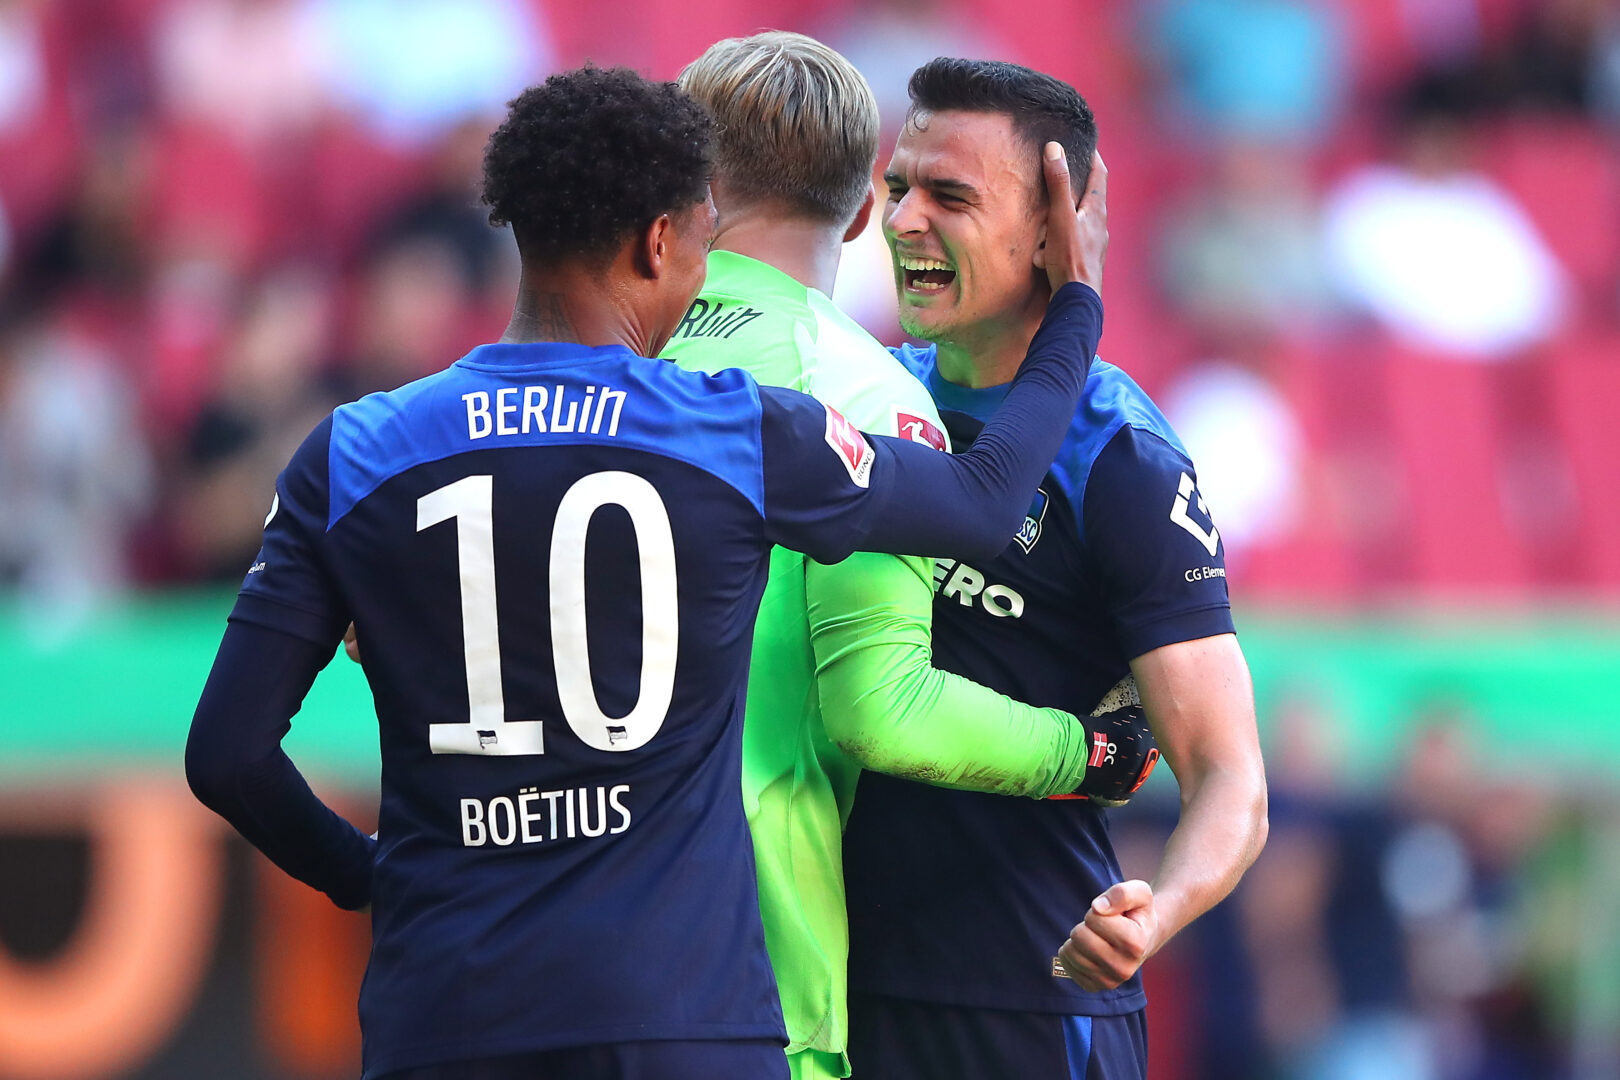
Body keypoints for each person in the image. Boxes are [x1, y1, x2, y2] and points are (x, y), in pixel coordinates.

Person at [185, 66, 1108, 1080]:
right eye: (706, 241)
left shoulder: (356, 453)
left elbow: (228, 755)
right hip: (680, 1019)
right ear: (658, 242)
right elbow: (983, 503)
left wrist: (369, 875)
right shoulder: (730, 433)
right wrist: (1074, 309)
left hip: (444, 1015)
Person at [661, 33, 1137, 1080]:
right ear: (861, 215)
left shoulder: (594, 358)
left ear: (689, 190)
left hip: (549, 943)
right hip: (751, 965)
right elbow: (880, 707)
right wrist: (1090, 755)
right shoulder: (859, 390)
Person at [842, 58, 1269, 1080]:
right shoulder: (863, 394)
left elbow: (1231, 779)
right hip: (825, 985)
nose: (903, 221)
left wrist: (1155, 914)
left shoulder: (1120, 459)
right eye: (899, 188)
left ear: (1052, 231)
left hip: (1026, 1002)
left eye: (950, 197)